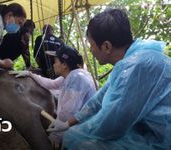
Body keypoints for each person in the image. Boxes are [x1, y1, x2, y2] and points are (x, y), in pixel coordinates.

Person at [46, 9, 171, 150]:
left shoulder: (138, 67)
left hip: (161, 137)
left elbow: (112, 123)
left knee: (81, 142)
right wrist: (68, 123)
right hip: (149, 129)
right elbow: (99, 98)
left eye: (91, 45)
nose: (91, 50)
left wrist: (71, 132)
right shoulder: (129, 62)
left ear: (106, 46)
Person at [9, 45, 97, 149]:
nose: (53, 65)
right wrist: (30, 74)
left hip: (82, 135)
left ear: (64, 65)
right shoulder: (72, 75)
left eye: (55, 61)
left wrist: (57, 136)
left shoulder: (76, 78)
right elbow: (51, 84)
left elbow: (68, 112)